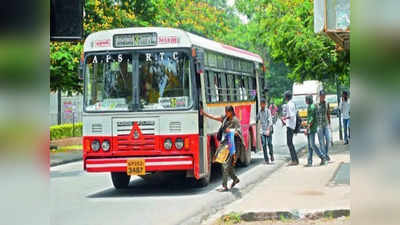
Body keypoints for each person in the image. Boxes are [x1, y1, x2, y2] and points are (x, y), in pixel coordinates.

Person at [200, 105, 242, 191]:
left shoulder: (235, 120)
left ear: (231, 112)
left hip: (232, 144)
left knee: (225, 164)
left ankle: (224, 186)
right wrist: (205, 114)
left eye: (227, 112)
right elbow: (215, 118)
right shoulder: (225, 118)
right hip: (224, 143)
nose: (226, 113)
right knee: (227, 165)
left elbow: (238, 132)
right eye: (225, 112)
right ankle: (235, 179)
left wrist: (230, 131)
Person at [304, 95, 328, 166]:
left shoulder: (311, 107)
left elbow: (311, 119)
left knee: (312, 144)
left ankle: (322, 157)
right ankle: (309, 161)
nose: (305, 101)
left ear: (307, 100)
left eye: (306, 100)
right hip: (312, 127)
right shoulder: (312, 106)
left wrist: (307, 128)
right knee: (310, 145)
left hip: (312, 128)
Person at [281, 91, 299, 166]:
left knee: (289, 143)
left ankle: (294, 160)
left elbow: (291, 115)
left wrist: (284, 118)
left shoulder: (289, 105)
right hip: (292, 125)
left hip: (290, 126)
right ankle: (295, 159)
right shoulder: (292, 104)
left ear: (286, 97)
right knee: (290, 143)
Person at [257, 99, 274, 164]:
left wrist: (268, 130)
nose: (262, 105)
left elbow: (270, 121)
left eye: (263, 104)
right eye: (261, 104)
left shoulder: (268, 111)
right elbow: (257, 118)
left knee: (269, 143)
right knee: (264, 144)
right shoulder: (259, 112)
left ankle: (271, 155)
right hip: (262, 131)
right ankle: (266, 159)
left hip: (268, 129)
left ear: (265, 104)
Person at [316, 90, 331, 161]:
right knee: (321, 142)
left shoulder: (327, 103)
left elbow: (328, 114)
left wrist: (330, 124)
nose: (323, 97)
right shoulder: (316, 104)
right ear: (319, 96)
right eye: (322, 96)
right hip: (319, 125)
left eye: (324, 96)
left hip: (326, 124)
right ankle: (324, 156)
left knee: (328, 140)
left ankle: (326, 153)